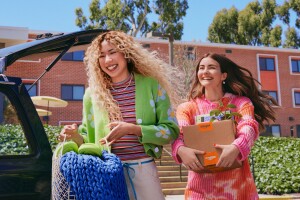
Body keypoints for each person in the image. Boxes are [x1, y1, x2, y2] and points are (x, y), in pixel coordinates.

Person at [59, 30, 180, 200]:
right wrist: (75, 135)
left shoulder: (151, 85)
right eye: (101, 56)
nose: (107, 60)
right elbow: (88, 142)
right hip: (105, 173)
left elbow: (171, 130)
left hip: (144, 170)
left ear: (126, 52)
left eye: (112, 52)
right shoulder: (91, 95)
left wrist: (133, 129)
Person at [171, 53, 277, 200]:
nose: (205, 71)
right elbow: (179, 134)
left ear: (223, 76)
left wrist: (236, 147)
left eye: (212, 67)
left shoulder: (241, 103)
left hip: (237, 189)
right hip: (199, 190)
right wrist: (180, 150)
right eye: (201, 68)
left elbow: (249, 126)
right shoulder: (187, 108)